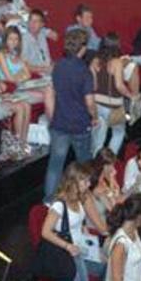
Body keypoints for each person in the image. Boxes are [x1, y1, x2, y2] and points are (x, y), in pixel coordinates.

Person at [39, 163, 106, 281]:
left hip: (77, 252)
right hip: (66, 253)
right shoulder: (59, 204)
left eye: (87, 180)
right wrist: (67, 246)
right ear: (72, 181)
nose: (87, 184)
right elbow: (45, 231)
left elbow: (77, 223)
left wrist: (83, 230)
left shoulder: (80, 199)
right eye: (83, 180)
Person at [45, 29, 95, 198]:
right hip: (80, 124)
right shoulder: (84, 71)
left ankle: (49, 200)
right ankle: (83, 199)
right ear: (82, 48)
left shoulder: (58, 66)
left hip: (59, 123)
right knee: (84, 166)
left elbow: (51, 93)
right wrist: (94, 117)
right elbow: (89, 102)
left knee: (55, 165)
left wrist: (52, 117)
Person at [91, 34, 137, 157]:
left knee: (98, 139)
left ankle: (96, 164)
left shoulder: (95, 60)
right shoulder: (116, 62)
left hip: (96, 104)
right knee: (118, 133)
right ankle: (109, 162)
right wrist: (131, 95)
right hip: (113, 105)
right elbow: (119, 86)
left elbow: (94, 85)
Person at [23, 9, 57, 75]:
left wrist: (53, 65)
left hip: (48, 70)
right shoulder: (24, 40)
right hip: (35, 74)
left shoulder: (41, 34)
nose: (32, 24)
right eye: (30, 20)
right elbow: (24, 66)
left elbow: (55, 36)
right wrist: (44, 69)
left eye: (36, 21)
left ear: (42, 24)